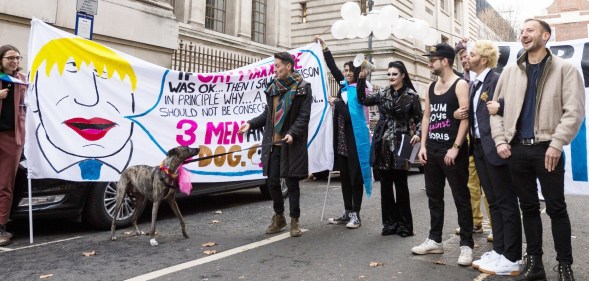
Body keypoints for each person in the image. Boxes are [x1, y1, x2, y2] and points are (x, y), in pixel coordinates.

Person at [490, 19, 584, 281]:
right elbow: (494, 110)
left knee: (556, 208)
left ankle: (565, 265)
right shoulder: (510, 72)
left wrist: (556, 143)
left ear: (545, 35)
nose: (524, 34)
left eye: (530, 30)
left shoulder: (565, 69)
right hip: (517, 150)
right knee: (528, 209)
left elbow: (574, 111)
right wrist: (500, 140)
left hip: (547, 149)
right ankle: (535, 265)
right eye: (522, 31)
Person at [454, 40, 522, 276]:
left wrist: (500, 106)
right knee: (493, 201)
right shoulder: (473, 83)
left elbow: (513, 105)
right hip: (480, 149)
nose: (466, 58)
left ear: (482, 60)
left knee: (506, 202)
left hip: (497, 148)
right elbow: (474, 114)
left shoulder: (497, 79)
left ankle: (512, 257)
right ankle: (500, 251)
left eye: (470, 55)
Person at [29, 37, 137, 180]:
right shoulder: (32, 157)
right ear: (34, 96)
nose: (91, 100)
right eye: (68, 78)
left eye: (106, 79)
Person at [411, 43, 474, 266]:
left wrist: (456, 147)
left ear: (444, 61)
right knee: (434, 197)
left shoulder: (460, 85)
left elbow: (465, 118)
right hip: (433, 151)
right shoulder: (430, 87)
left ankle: (466, 245)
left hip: (452, 150)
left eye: (433, 59)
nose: (429, 63)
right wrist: (424, 146)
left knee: (461, 198)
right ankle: (435, 240)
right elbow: (426, 117)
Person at [238, 52, 312, 237]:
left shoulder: (303, 88)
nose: (275, 69)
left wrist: (292, 133)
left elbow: (304, 116)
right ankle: (279, 217)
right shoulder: (272, 88)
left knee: (292, 183)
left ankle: (295, 220)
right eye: (275, 66)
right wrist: (250, 123)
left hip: (291, 143)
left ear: (288, 66)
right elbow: (267, 115)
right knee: (272, 183)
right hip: (273, 144)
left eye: (278, 65)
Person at [357, 61, 422, 237]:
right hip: (382, 142)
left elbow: (420, 119)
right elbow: (363, 99)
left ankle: (405, 226)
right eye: (389, 74)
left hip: (403, 141)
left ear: (402, 75)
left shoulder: (412, 96)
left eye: (394, 74)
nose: (391, 77)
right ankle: (389, 224)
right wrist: (362, 79)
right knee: (385, 186)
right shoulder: (383, 93)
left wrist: (419, 134)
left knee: (401, 186)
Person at [314, 36, 371, 229]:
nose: (345, 73)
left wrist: (336, 102)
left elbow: (349, 117)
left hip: (355, 140)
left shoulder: (359, 91)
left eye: (349, 70)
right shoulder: (344, 87)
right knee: (345, 177)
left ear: (356, 73)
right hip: (341, 140)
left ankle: (357, 213)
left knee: (356, 177)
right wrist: (325, 48)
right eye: (345, 70)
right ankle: (348, 211)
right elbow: (333, 69)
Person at [454, 39, 493, 241]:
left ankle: (495, 225)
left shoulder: (487, 79)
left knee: (489, 186)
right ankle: (474, 222)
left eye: (467, 56)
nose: (464, 60)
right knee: (471, 184)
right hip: (469, 141)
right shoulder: (463, 81)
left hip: (486, 141)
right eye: (461, 58)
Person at [0, 45, 28, 246]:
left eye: (17, 58)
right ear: (1, 59)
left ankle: (1, 227)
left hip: (12, 138)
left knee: (5, 185)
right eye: (10, 57)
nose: (15, 61)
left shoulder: (23, 79)